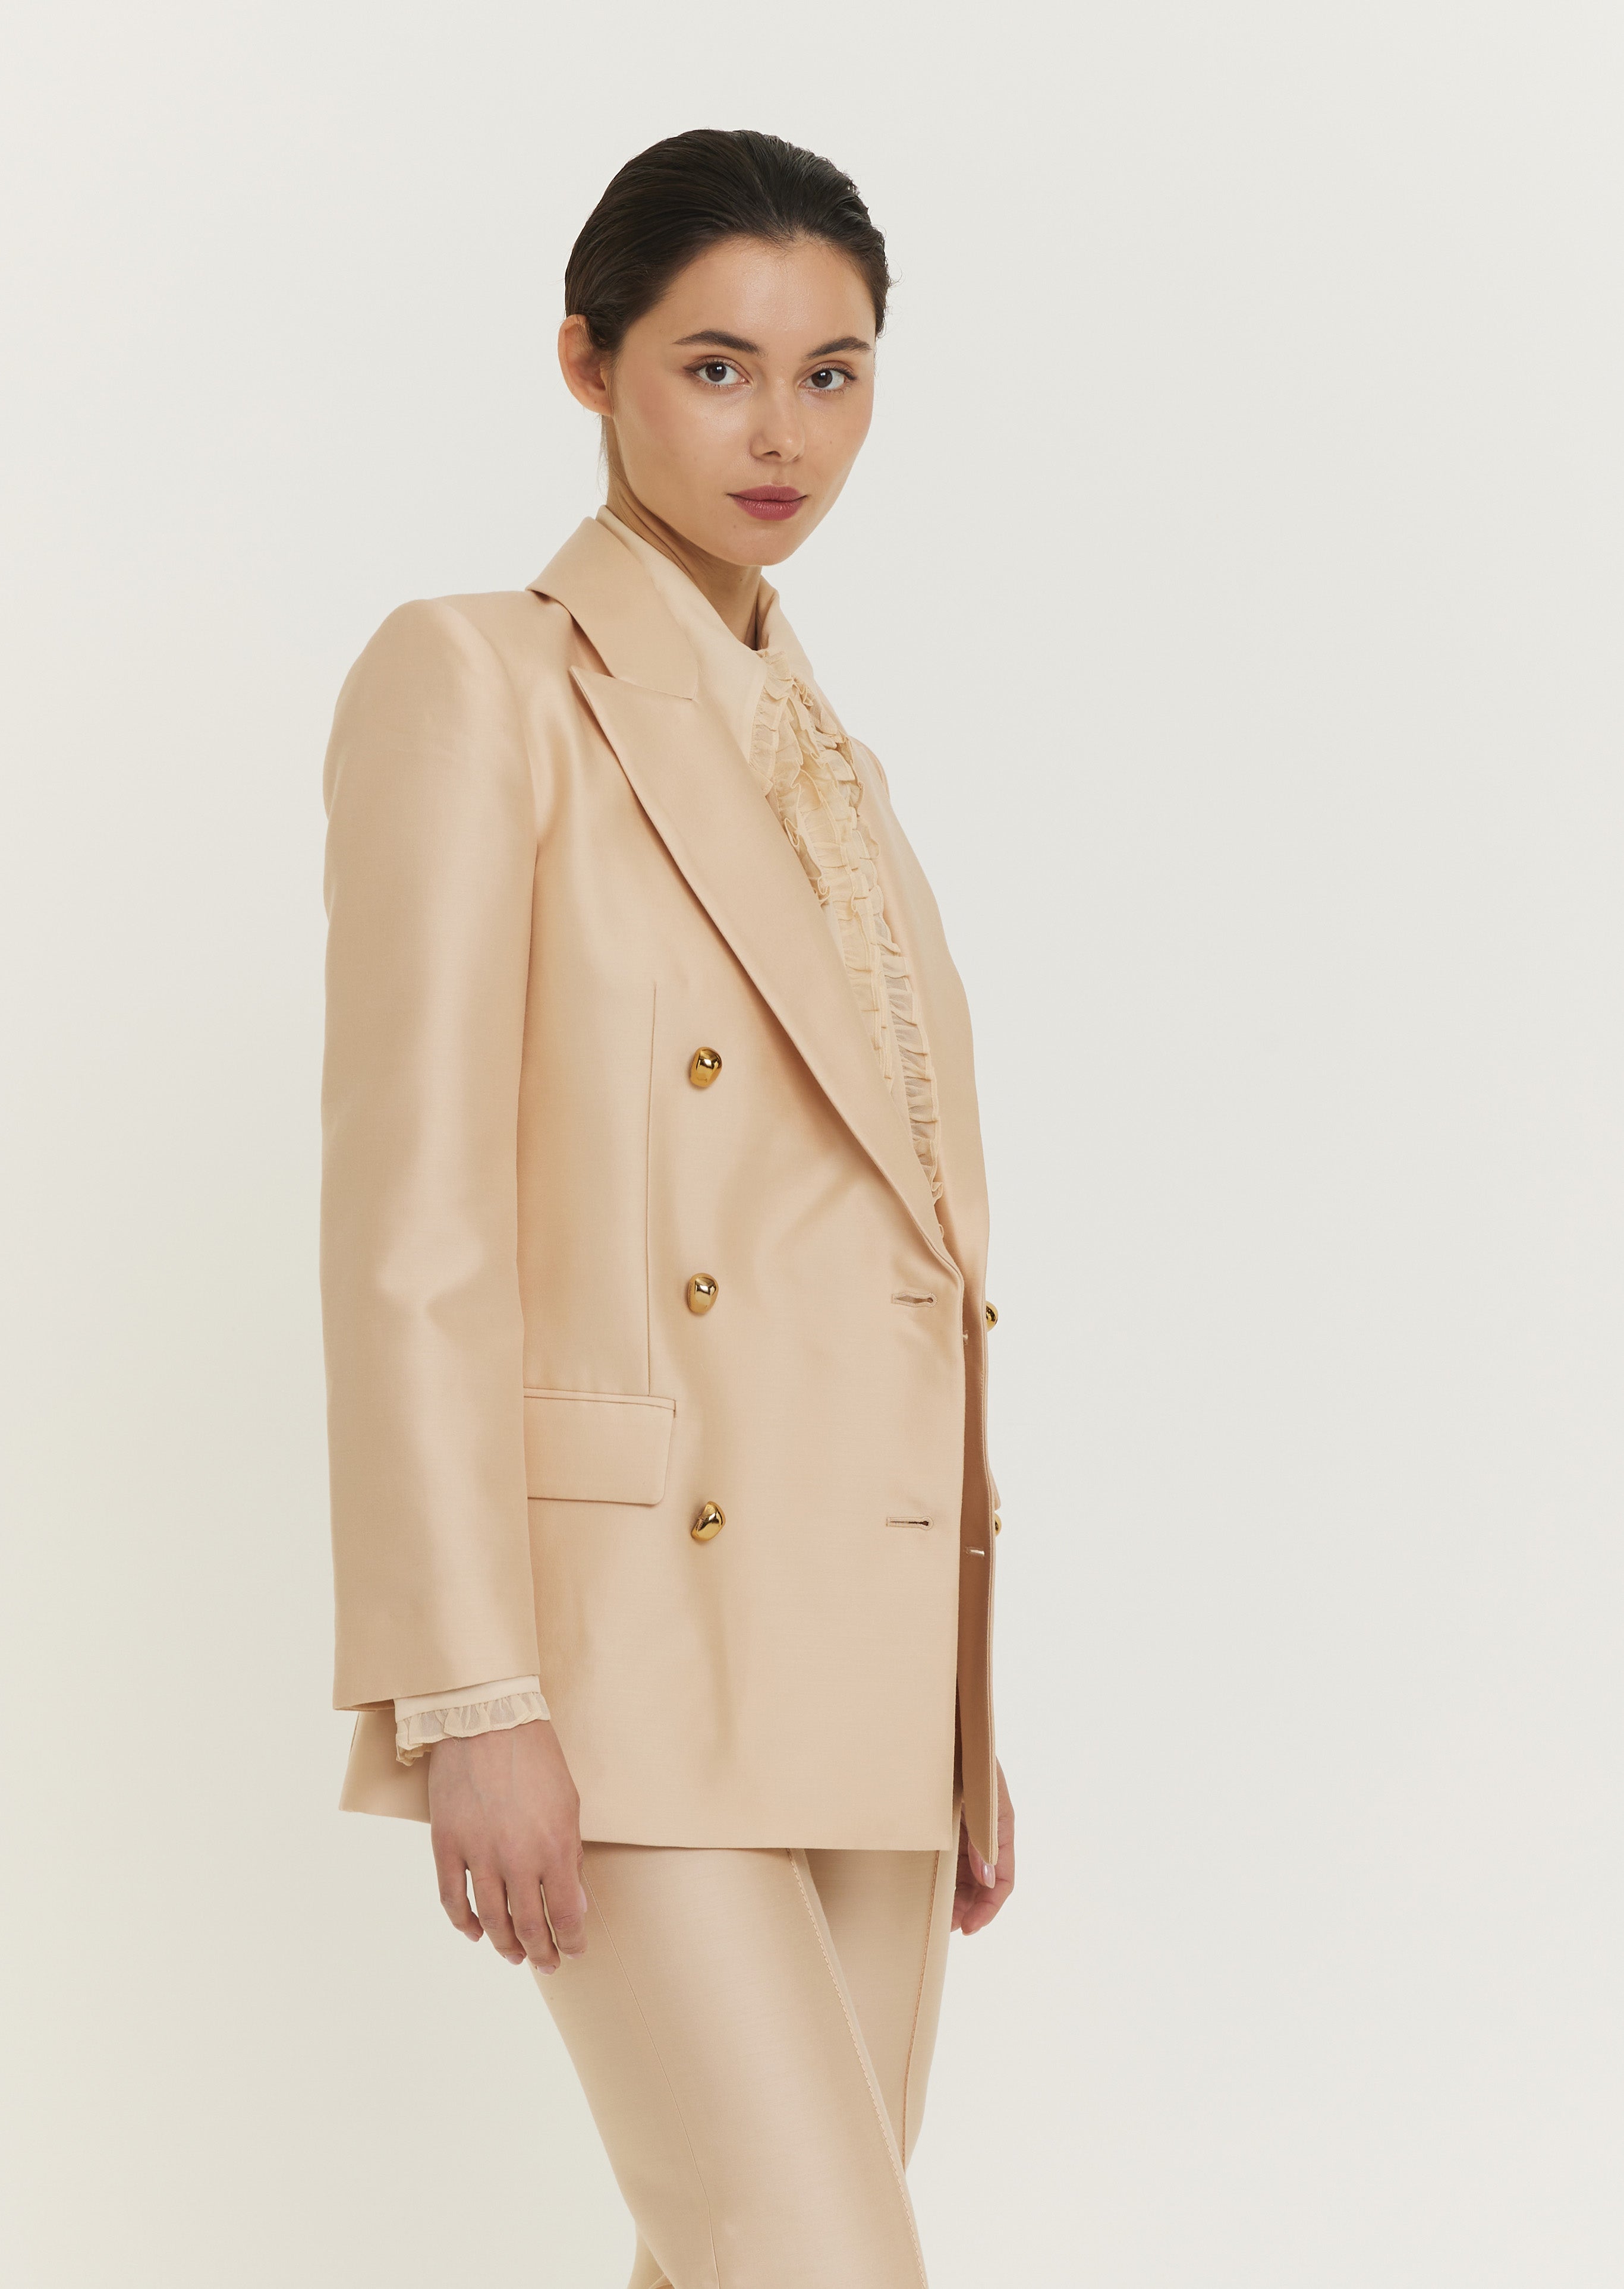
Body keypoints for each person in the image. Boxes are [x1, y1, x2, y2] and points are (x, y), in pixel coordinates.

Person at [320, 127, 1014, 2289]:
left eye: (832, 373)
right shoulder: (480, 680)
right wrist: (465, 1692)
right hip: (615, 1654)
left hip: (857, 1653)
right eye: (716, 368)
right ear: (587, 363)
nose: (780, 432)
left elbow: (910, 1261)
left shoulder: (835, 771)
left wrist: (965, 1711)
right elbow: (414, 1227)